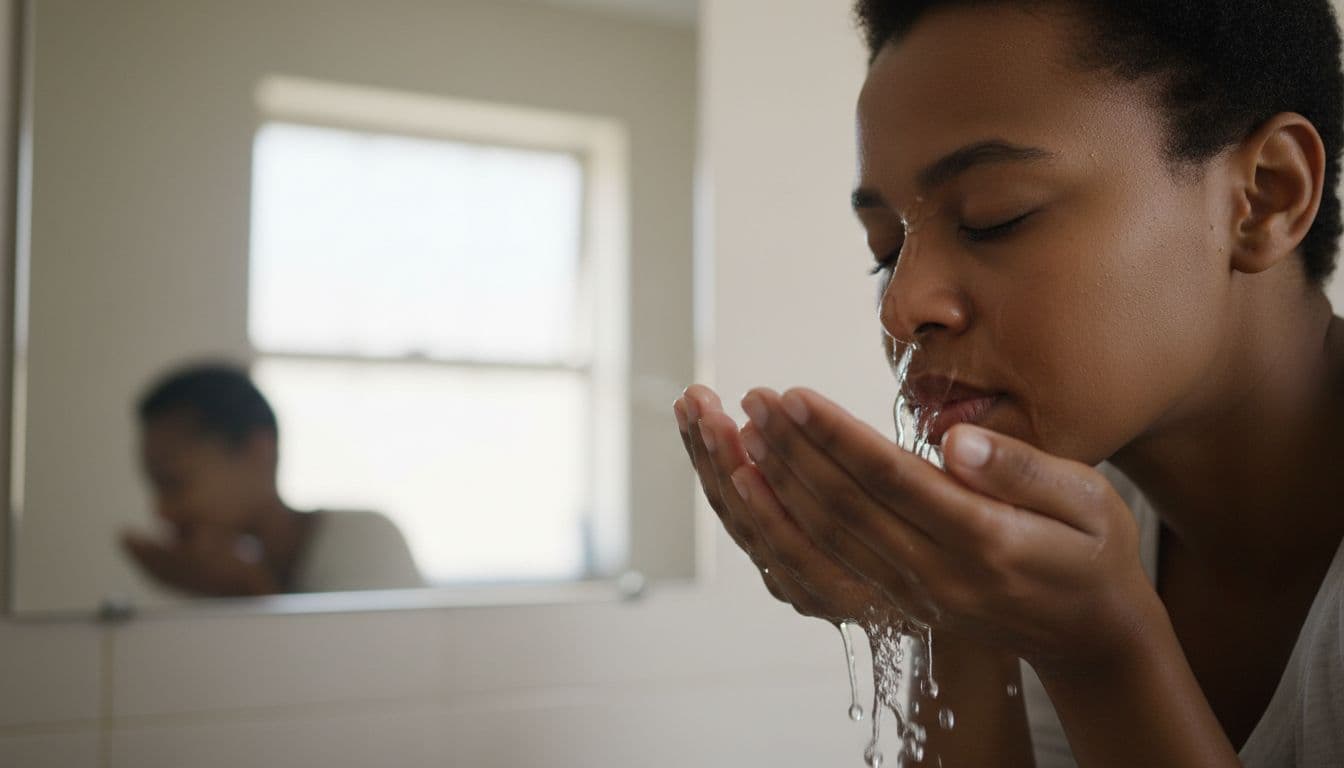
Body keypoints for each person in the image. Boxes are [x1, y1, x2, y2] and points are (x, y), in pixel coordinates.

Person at [673, 1, 1344, 765]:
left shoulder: (1074, 590)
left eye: (996, 217)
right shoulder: (1047, 552)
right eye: (885, 250)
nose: (901, 308)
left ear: (1266, 195)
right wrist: (957, 616)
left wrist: (1100, 654)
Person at [124, 362, 423, 596]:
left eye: (174, 483)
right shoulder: (214, 567)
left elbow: (366, 668)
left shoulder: (367, 541)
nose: (161, 510)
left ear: (259, 453)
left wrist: (244, 593)